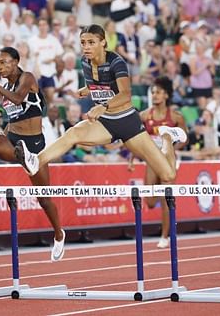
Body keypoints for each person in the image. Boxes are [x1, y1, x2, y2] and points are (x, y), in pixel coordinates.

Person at [15, 25, 186, 205]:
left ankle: (167, 136)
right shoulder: (85, 61)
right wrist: (88, 90)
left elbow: (126, 94)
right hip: (106, 123)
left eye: (91, 42)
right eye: (83, 43)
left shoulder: (116, 62)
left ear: (103, 43)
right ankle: (35, 161)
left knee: (168, 175)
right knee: (73, 133)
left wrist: (103, 106)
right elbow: (101, 83)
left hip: (128, 123)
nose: (86, 47)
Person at [0, 47, 65, 262]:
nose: (0, 67)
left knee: (44, 200)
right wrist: (3, 138)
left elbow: (18, 99)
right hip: (14, 140)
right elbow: (13, 119)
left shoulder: (27, 78)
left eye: (5, 62)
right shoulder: (6, 87)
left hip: (35, 146)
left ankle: (59, 234)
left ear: (16, 61)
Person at [135, 76, 187, 248]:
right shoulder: (144, 115)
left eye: (158, 92)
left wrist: (172, 149)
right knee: (149, 202)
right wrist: (131, 159)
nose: (155, 95)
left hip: (168, 160)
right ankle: (165, 201)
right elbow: (134, 138)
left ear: (166, 95)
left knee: (166, 199)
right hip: (152, 159)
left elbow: (184, 139)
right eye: (153, 93)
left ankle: (165, 236)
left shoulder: (175, 116)